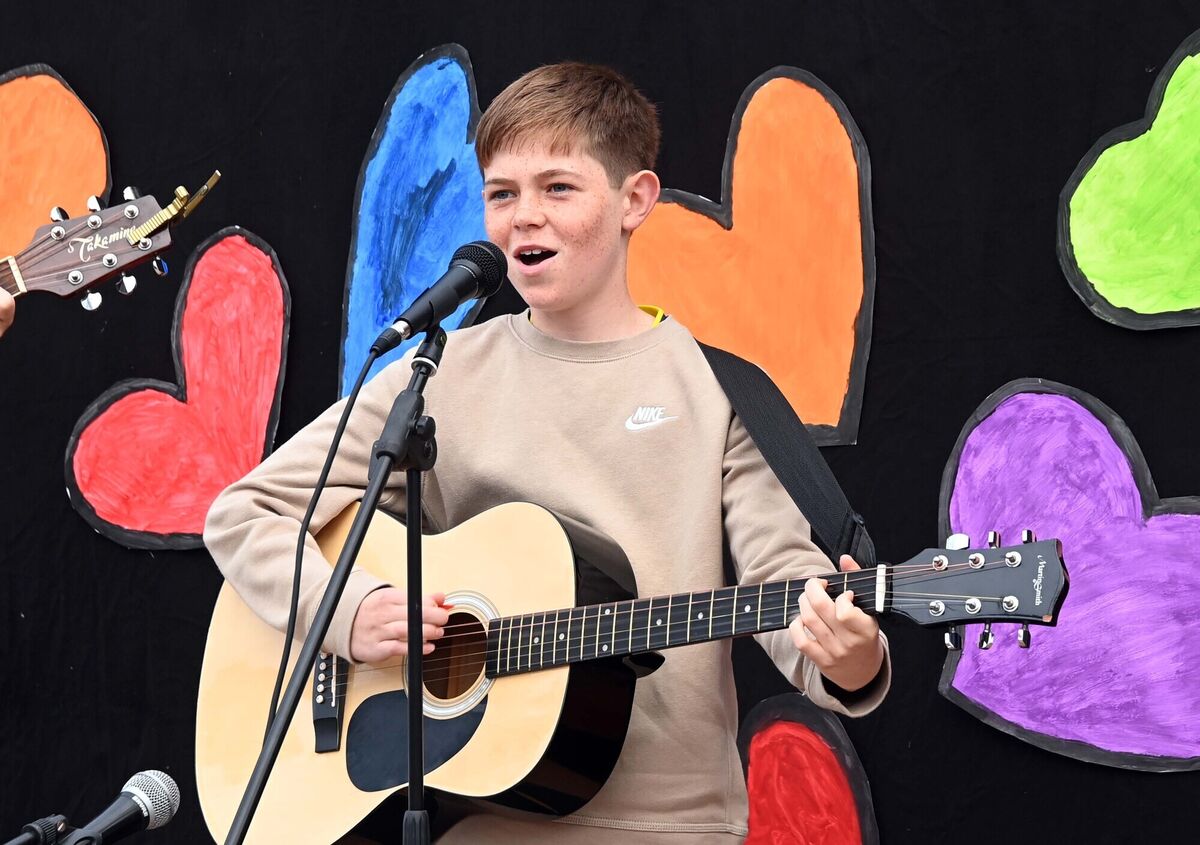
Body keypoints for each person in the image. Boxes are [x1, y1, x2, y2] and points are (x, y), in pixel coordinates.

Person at [204, 61, 889, 844]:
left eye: (559, 188)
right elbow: (243, 512)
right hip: (481, 816)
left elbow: (784, 589)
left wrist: (850, 658)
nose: (524, 217)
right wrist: (349, 614)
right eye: (502, 194)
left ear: (636, 200)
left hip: (671, 823)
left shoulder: (718, 389)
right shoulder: (444, 372)